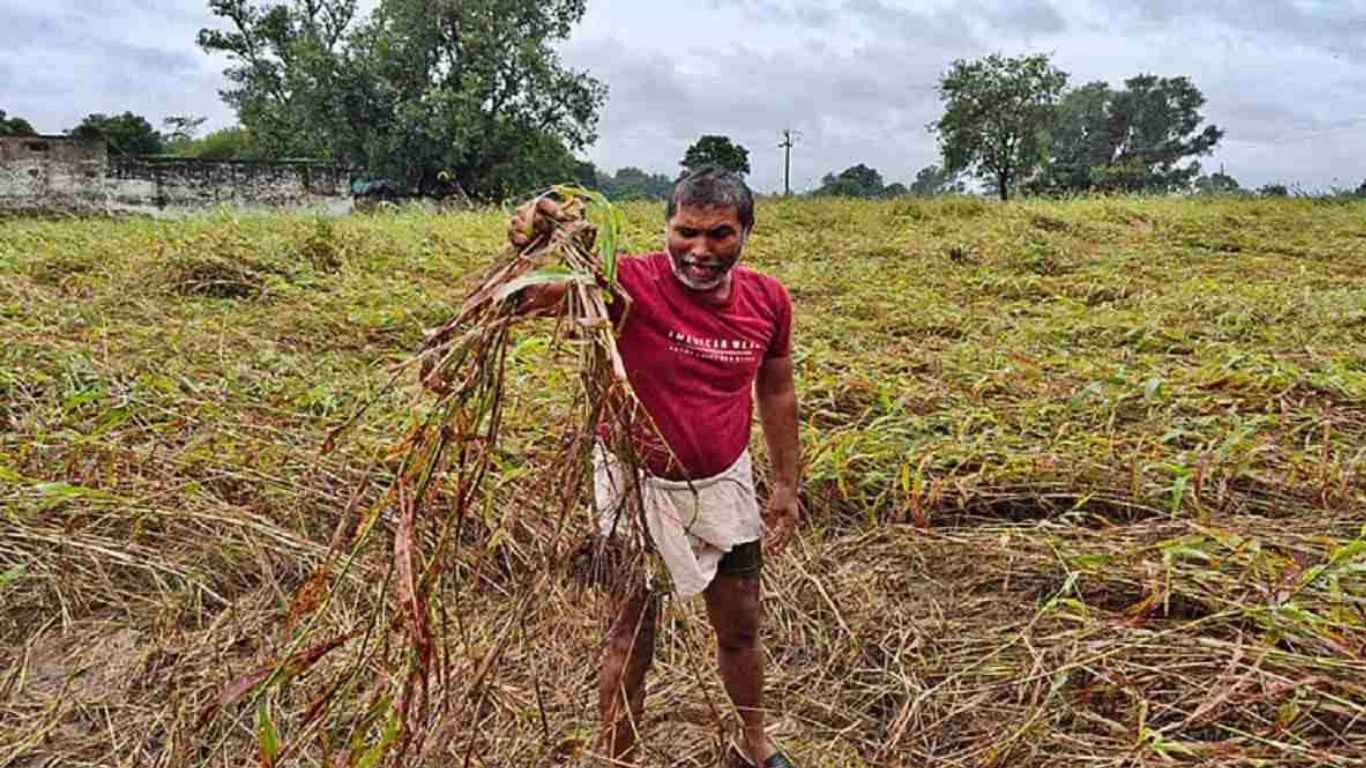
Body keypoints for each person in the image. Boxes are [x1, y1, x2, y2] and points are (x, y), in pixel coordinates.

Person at [507, 166, 801, 766]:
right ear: (665, 226)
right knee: (632, 635)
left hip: (723, 483)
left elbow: (776, 392)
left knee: (740, 626)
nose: (699, 250)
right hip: (634, 488)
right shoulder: (624, 282)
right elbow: (524, 301)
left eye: (719, 234)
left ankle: (752, 744)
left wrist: (788, 486)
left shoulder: (767, 300)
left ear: (745, 233)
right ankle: (617, 755)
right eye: (685, 232)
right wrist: (536, 234)